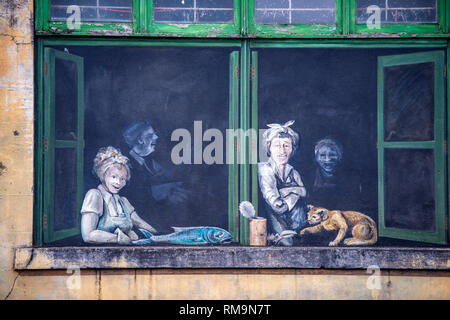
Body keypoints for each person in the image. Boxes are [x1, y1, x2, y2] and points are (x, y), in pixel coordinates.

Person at [80, 146, 157, 244]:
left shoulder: (123, 201)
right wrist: (118, 238)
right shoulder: (94, 195)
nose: (118, 182)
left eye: (122, 179)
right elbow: (88, 235)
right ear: (103, 175)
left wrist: (158, 235)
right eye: (114, 177)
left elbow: (139, 222)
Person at [121, 120, 190, 229]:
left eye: (155, 134)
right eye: (150, 136)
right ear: (140, 140)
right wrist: (165, 191)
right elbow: (130, 197)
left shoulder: (152, 161)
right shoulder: (124, 165)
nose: (156, 137)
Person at [258, 120, 307, 246]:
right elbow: (278, 207)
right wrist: (295, 192)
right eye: (277, 146)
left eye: (286, 145)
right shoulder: (265, 170)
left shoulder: (293, 172)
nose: (282, 151)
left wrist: (286, 191)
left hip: (296, 228)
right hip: (274, 229)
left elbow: (305, 193)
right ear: (269, 148)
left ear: (292, 148)